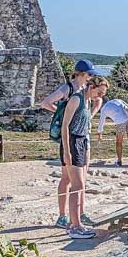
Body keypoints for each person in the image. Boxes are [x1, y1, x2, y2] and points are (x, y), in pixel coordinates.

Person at [43, 60, 98, 228]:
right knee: (69, 179)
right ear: (81, 74)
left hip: (82, 136)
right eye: (89, 74)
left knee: (78, 178)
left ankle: (80, 213)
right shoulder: (68, 88)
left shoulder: (83, 89)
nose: (91, 77)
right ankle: (63, 216)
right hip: (71, 137)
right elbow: (46, 102)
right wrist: (63, 112)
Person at [59, 67, 96, 239]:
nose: (99, 97)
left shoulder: (87, 101)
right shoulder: (76, 98)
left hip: (81, 142)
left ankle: (77, 222)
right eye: (98, 92)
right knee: (77, 185)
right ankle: (75, 226)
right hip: (72, 142)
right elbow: (65, 125)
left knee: (79, 184)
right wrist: (67, 152)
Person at [97, 95, 128, 166]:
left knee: (119, 142)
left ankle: (119, 161)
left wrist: (99, 133)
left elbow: (101, 122)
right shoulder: (117, 100)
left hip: (120, 122)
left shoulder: (104, 109)